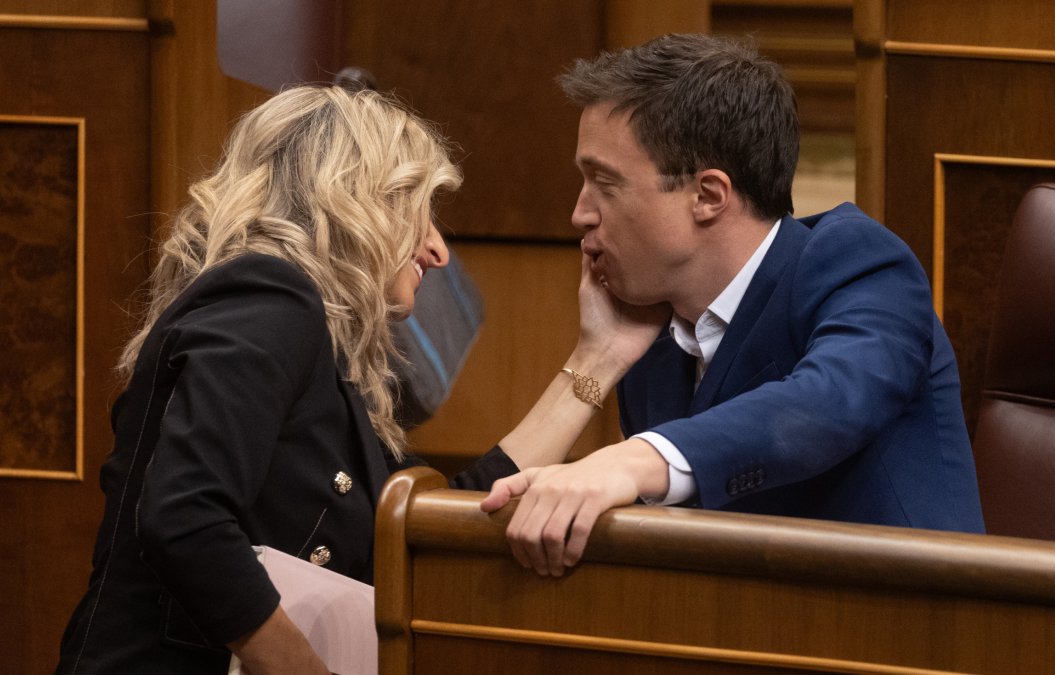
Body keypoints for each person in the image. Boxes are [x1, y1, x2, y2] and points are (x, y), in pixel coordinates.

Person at [55, 85, 661, 674]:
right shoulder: (272, 297)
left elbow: (422, 528)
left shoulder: (321, 345)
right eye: (420, 212)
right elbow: (185, 519)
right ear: (357, 203)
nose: (437, 249)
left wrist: (599, 358)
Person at [481, 33, 986, 578]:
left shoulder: (855, 260)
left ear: (708, 195)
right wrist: (598, 364)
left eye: (604, 183)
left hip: (908, 631)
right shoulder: (651, 331)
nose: (579, 214)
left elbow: (829, 401)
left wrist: (634, 459)